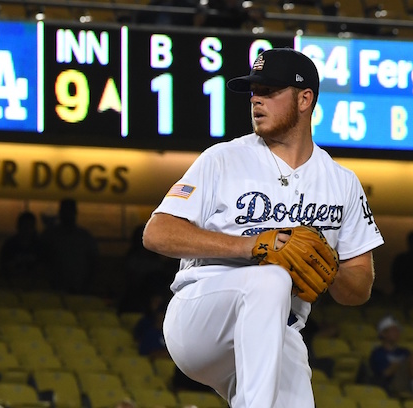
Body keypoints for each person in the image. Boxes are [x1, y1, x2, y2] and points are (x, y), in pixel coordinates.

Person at [142, 48, 384, 407]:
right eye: (253, 91)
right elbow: (156, 233)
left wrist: (327, 267)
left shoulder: (342, 183)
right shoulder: (223, 158)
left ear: (305, 99)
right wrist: (253, 245)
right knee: (272, 277)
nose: (256, 99)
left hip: (276, 333)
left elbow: (359, 286)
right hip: (201, 317)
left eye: (269, 91)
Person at [39, 198, 99, 294]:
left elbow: (93, 263)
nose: (67, 215)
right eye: (65, 212)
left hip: (78, 287)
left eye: (69, 212)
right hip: (54, 287)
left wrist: (87, 285)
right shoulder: (50, 235)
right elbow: (42, 260)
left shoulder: (84, 237)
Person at [369, 315, 413, 397]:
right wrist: (400, 365)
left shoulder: (405, 351)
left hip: (406, 382)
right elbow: (384, 374)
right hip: (389, 385)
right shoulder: (378, 353)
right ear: (383, 333)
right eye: (393, 330)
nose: (397, 333)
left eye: (397, 330)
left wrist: (397, 366)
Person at [0, 211, 43, 279]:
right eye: (24, 226)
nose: (27, 230)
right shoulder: (9, 245)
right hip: (13, 284)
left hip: (33, 285)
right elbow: (5, 267)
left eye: (29, 226)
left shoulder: (39, 246)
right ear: (18, 226)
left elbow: (42, 268)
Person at [390, 231, 413, 302]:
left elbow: (395, 277)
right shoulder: (401, 259)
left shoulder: (401, 259)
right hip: (402, 295)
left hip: (401, 295)